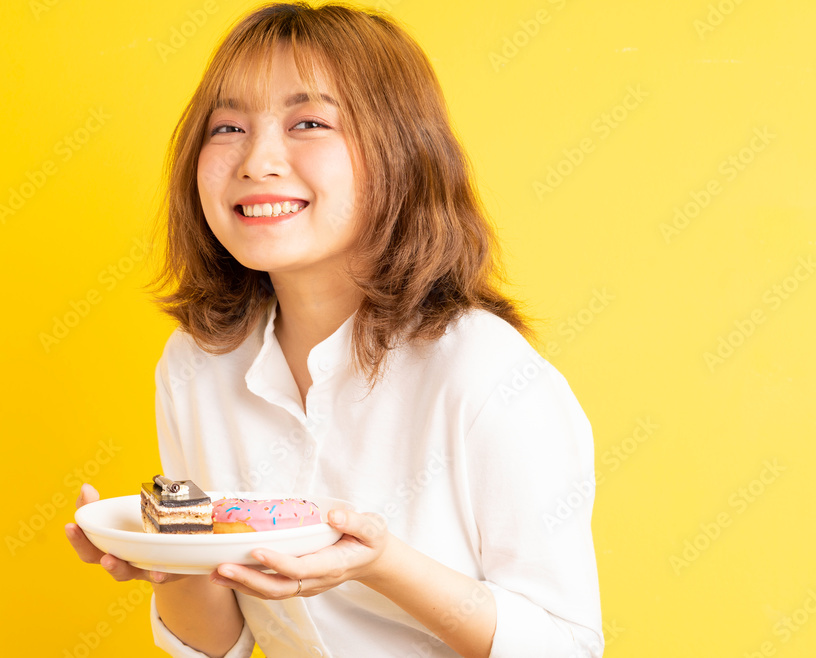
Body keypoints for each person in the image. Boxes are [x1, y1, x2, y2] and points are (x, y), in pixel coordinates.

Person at [65, 2, 604, 656]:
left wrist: (382, 563)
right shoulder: (197, 365)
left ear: (401, 153)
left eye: (310, 122)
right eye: (228, 126)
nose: (258, 160)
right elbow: (218, 645)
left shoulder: (487, 374)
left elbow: (567, 646)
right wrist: (171, 562)